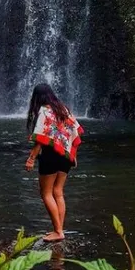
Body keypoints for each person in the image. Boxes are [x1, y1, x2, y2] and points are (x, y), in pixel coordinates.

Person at [24, 83, 83, 242]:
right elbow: (74, 135)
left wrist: (31, 159)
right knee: (58, 192)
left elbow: (41, 139)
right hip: (65, 157)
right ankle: (59, 230)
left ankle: (58, 231)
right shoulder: (64, 109)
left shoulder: (44, 111)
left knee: (46, 193)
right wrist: (73, 156)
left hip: (51, 155)